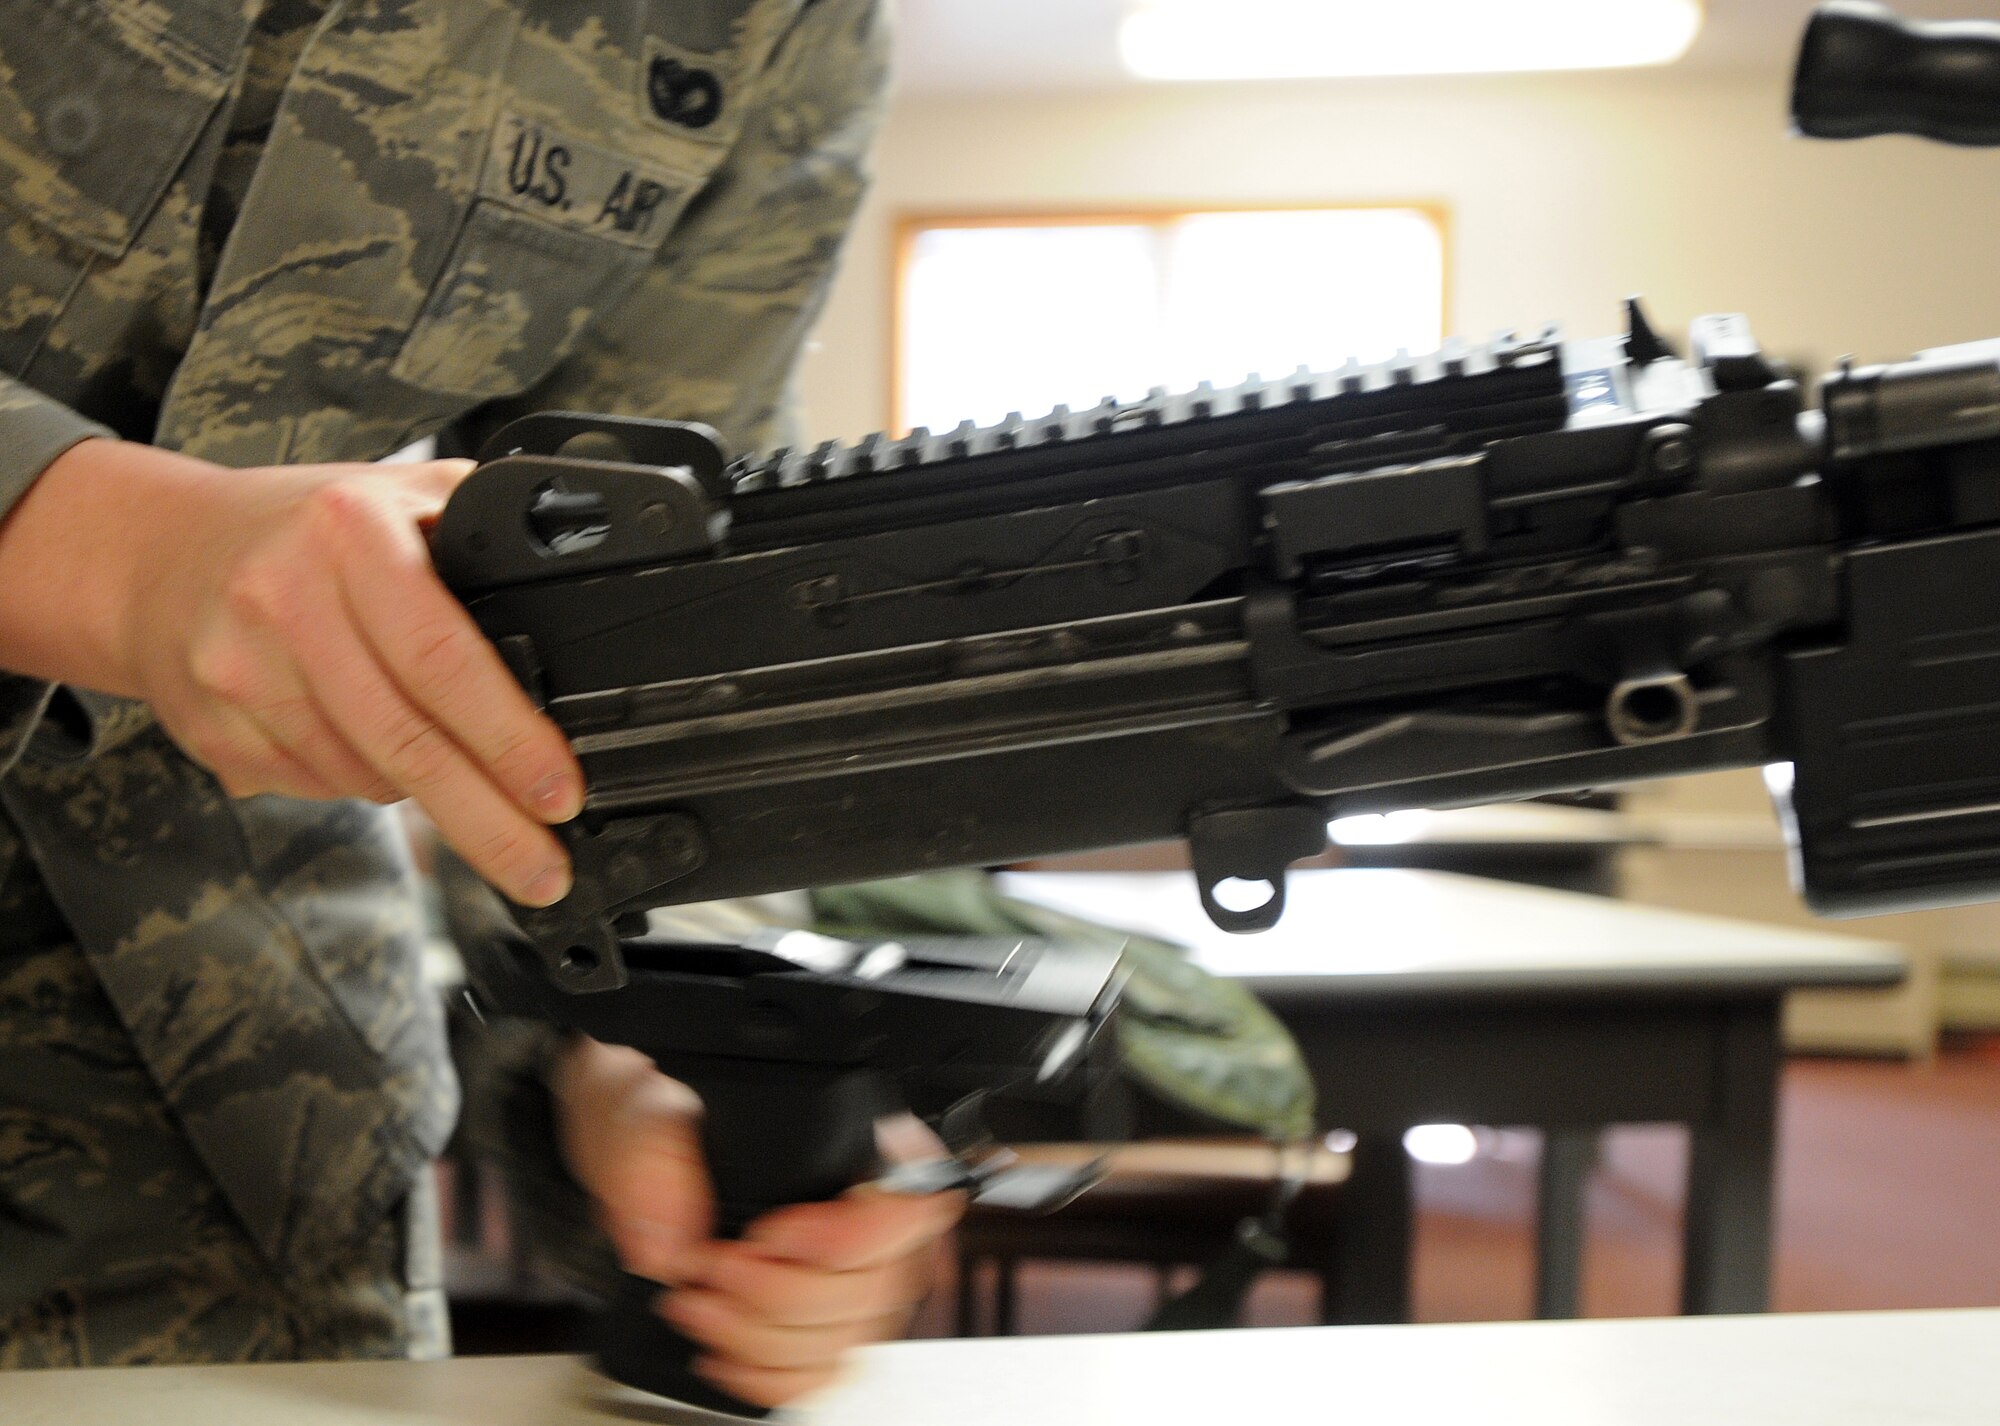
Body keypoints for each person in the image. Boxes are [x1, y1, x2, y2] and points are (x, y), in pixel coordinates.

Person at [0, 0, 957, 1407]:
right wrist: (113, 554)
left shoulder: (773, 25)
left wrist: (649, 1042)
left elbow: (652, 620)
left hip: (236, 1125)